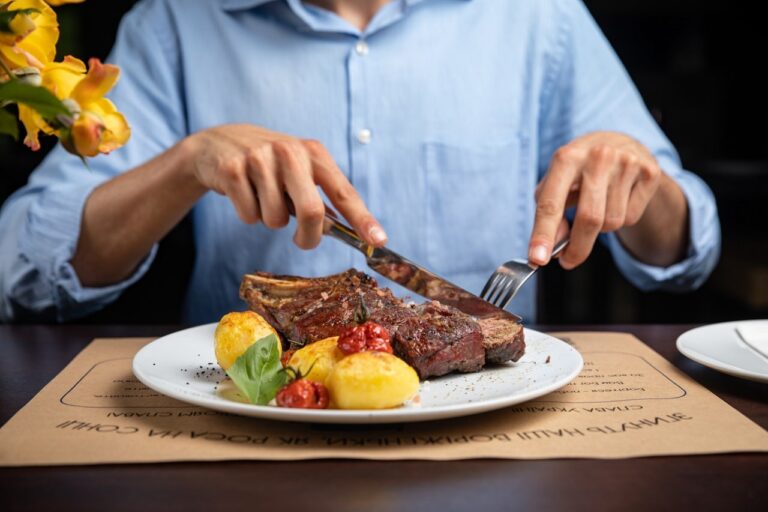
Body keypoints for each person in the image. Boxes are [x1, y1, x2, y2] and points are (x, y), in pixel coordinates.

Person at [0, 0, 720, 323]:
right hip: (246, 433)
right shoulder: (171, 22)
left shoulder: (541, 15)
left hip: (502, 429)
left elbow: (684, 253)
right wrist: (187, 163)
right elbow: (26, 272)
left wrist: (639, 181)